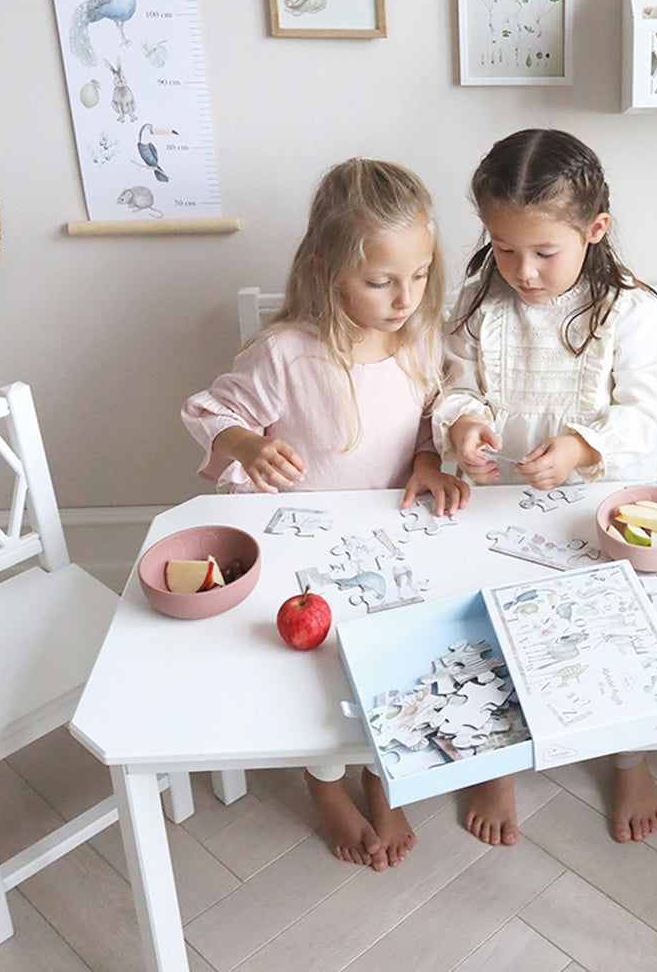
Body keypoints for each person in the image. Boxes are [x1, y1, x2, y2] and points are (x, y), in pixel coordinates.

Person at [182, 157, 469, 871]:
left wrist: (431, 460)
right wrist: (249, 441)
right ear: (325, 269)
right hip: (306, 548)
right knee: (320, 667)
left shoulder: (422, 342)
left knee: (405, 653)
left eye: (421, 274)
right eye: (381, 281)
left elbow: (431, 418)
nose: (406, 297)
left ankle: (382, 771)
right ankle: (326, 781)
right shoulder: (285, 353)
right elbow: (207, 411)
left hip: (390, 541)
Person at [432, 128, 657, 847]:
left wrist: (580, 446)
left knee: (612, 625)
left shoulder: (629, 310)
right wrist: (465, 426)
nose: (523, 271)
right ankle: (496, 757)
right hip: (497, 498)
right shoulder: (480, 302)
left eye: (544, 252)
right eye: (504, 247)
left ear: (594, 231)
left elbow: (651, 412)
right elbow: (453, 385)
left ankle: (627, 756)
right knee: (478, 621)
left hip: (592, 502)